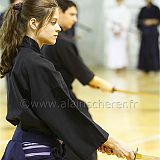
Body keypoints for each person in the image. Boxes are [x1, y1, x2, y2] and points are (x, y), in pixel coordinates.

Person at [0, 0, 135, 160]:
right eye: (53, 22)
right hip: (35, 151)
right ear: (34, 23)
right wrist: (109, 141)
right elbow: (62, 112)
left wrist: (97, 140)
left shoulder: (23, 57)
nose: (58, 28)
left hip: (25, 146)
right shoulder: (36, 63)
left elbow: (54, 113)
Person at [42, 1, 134, 160]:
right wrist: (107, 86)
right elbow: (86, 76)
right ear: (59, 13)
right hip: (63, 99)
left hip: (48, 99)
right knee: (85, 129)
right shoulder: (62, 42)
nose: (75, 19)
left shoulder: (45, 41)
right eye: (71, 14)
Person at [104, 0, 131, 73]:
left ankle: (122, 66)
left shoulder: (125, 10)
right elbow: (108, 21)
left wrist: (120, 30)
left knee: (122, 51)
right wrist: (113, 29)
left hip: (122, 34)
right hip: (113, 34)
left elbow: (126, 22)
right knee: (114, 50)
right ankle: (115, 66)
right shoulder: (112, 10)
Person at [137, 0, 160, 73]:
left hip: (153, 32)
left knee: (153, 50)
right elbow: (139, 21)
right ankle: (144, 68)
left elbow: (158, 20)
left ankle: (155, 68)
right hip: (144, 32)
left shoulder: (156, 8)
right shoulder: (143, 9)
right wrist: (144, 23)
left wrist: (152, 21)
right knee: (144, 50)